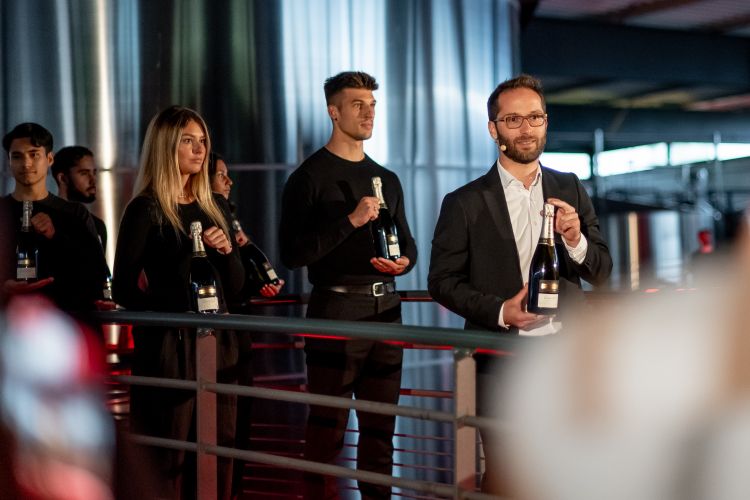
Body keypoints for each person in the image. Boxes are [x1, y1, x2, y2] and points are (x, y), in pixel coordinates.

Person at [427, 74, 612, 493]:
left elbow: (601, 271)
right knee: (508, 475)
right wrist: (499, 310)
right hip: (501, 358)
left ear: (546, 122)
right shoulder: (464, 202)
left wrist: (575, 238)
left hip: (570, 359)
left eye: (535, 117)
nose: (526, 129)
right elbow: (441, 281)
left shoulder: (570, 186)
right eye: (513, 120)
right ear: (493, 129)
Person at [279, 71, 418, 499]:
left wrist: (403, 263)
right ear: (333, 112)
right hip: (334, 311)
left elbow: (410, 246)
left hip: (387, 312)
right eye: (357, 104)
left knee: (381, 430)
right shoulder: (308, 177)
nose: (368, 112)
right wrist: (351, 221)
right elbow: (292, 254)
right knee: (327, 429)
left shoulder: (387, 179)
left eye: (372, 104)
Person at [112, 106, 244, 500]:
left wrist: (224, 252)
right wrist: (167, 310)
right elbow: (122, 288)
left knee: (218, 445)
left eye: (203, 140)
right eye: (188, 140)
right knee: (168, 449)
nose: (199, 148)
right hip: (170, 345)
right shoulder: (146, 208)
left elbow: (237, 290)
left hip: (220, 341)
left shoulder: (214, 205)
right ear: (166, 146)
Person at [2, 123, 110, 312]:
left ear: (49, 158)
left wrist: (56, 237)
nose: (26, 163)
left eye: (34, 154)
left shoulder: (75, 214)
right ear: (9, 161)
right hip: (9, 328)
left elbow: (99, 272)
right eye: (17, 156)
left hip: (66, 323)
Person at [208, 151, 284, 299]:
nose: (229, 181)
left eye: (227, 174)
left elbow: (246, 255)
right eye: (221, 175)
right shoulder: (204, 219)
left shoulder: (229, 213)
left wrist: (265, 281)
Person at [51, 145, 107, 249]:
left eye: (94, 173)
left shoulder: (97, 225)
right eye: (84, 173)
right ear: (63, 178)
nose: (93, 180)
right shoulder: (46, 223)